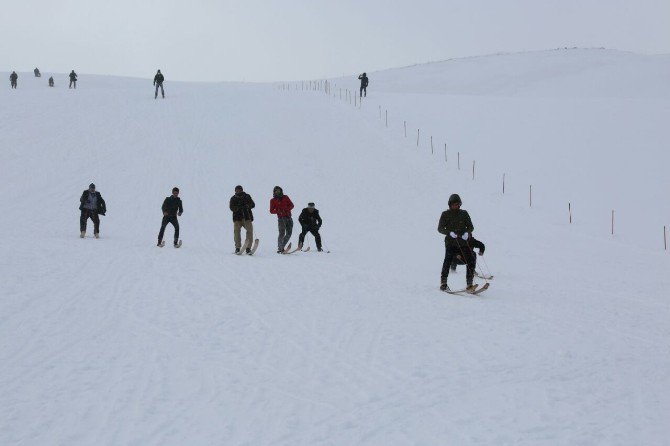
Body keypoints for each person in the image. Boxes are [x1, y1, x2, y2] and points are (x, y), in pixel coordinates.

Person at [437, 194, 476, 291]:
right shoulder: (445, 214)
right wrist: (449, 233)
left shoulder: (464, 213)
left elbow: (471, 227)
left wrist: (467, 233)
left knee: (471, 259)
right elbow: (440, 228)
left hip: (463, 242)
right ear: (450, 204)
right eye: (454, 204)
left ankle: (469, 283)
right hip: (450, 242)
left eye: (457, 204)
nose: (456, 206)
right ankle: (443, 282)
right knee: (448, 260)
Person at [229, 185, 255, 253]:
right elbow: (231, 207)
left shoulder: (247, 196)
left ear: (242, 190)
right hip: (237, 218)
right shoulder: (233, 198)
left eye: (240, 190)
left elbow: (253, 204)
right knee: (236, 232)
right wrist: (238, 208)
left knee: (249, 231)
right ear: (235, 191)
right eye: (237, 190)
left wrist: (247, 206)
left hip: (247, 217)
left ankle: (248, 247)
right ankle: (237, 247)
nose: (238, 191)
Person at [269, 186, 294, 253]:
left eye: (278, 190)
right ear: (274, 192)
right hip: (281, 219)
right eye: (276, 191)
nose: (277, 192)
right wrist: (278, 211)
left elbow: (292, 205)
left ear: (281, 191)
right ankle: (280, 248)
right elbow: (271, 211)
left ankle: (282, 246)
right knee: (282, 233)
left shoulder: (285, 197)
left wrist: (286, 209)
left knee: (289, 233)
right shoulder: (272, 200)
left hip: (289, 217)